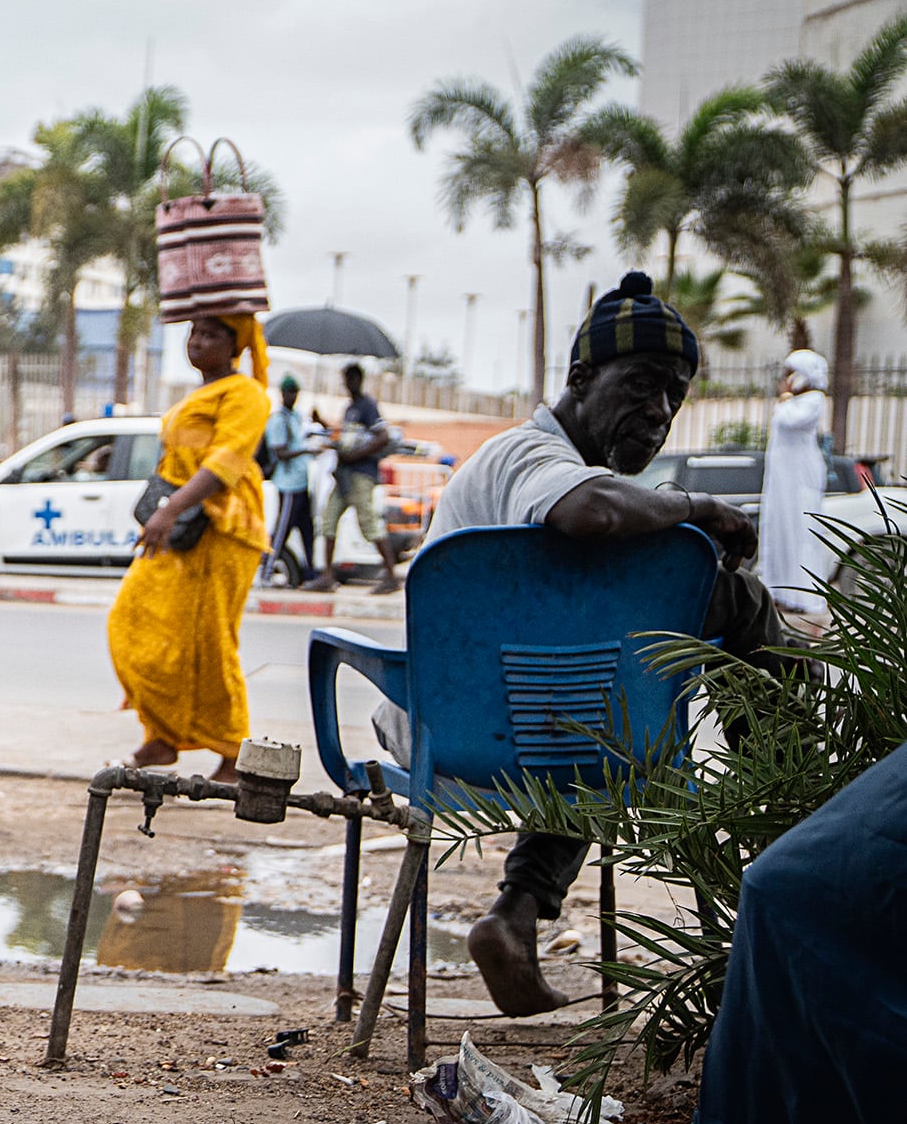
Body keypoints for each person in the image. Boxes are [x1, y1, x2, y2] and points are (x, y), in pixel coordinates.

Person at [411, 272, 783, 1016]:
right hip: (470, 729)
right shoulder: (526, 457)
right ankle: (781, 800)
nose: (659, 410)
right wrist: (701, 506)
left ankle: (516, 915)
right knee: (731, 611)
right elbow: (586, 511)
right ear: (580, 378)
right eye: (643, 384)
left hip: (511, 728)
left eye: (674, 397)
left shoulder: (561, 474)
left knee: (605, 702)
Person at [108, 314, 274, 783]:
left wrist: (169, 508)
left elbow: (228, 461)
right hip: (181, 529)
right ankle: (163, 736)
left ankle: (231, 751)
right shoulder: (196, 396)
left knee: (211, 640)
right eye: (194, 333)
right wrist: (168, 510)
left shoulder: (246, 395)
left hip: (224, 531)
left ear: (234, 346)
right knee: (133, 621)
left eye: (211, 335)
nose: (197, 342)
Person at [305, 362, 403, 595]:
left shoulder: (368, 406)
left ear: (359, 380)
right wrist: (322, 424)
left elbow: (382, 436)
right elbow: (346, 437)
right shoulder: (350, 409)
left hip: (361, 473)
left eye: (351, 379)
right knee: (329, 520)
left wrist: (356, 455)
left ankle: (391, 574)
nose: (348, 384)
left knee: (368, 522)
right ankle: (327, 576)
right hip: (344, 475)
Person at [760, 348, 834, 615]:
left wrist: (785, 396)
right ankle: (780, 592)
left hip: (800, 479)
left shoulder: (813, 400)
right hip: (782, 480)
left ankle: (804, 596)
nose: (787, 379)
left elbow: (789, 419)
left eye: (791, 374)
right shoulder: (794, 401)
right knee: (779, 532)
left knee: (800, 532)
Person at [265, 374, 321, 583]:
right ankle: (267, 570)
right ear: (283, 393)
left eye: (296, 393)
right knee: (282, 530)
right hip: (287, 483)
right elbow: (279, 452)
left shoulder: (296, 417)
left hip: (302, 482)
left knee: (308, 529)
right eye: (290, 392)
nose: (293, 396)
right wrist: (305, 450)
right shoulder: (278, 420)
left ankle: (310, 571)